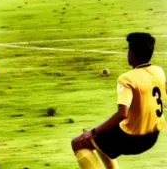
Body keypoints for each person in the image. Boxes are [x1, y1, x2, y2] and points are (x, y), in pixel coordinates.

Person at [71, 33, 165, 168]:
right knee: (101, 143)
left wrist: (93, 132)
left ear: (132, 53)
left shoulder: (127, 79)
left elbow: (122, 114)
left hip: (133, 138)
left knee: (78, 142)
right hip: (153, 136)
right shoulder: (159, 71)